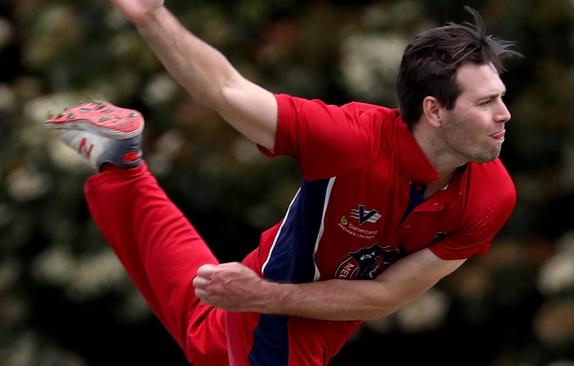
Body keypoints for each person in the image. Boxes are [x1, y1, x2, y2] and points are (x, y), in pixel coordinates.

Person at [45, 1, 520, 365]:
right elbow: (226, 89)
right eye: (485, 104)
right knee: (206, 334)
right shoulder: (350, 140)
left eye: (500, 98)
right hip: (277, 320)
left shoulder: (491, 196)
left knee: (201, 327)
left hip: (275, 296)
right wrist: (151, 16)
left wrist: (255, 294)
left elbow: (386, 296)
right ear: (434, 110)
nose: (504, 115)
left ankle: (122, 164)